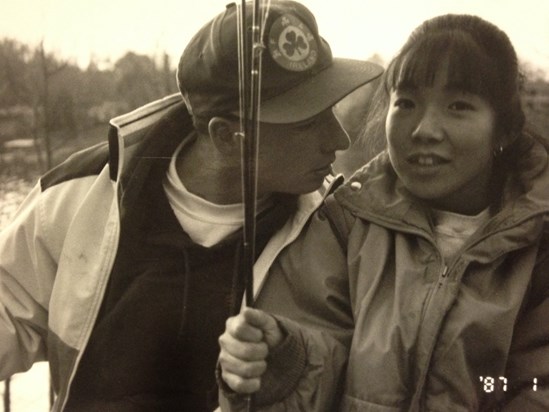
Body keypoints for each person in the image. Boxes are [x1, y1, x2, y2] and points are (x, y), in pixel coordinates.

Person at [0, 1, 383, 411]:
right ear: (225, 136)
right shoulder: (74, 196)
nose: (340, 140)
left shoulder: (330, 227)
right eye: (310, 122)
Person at [218, 13, 549, 411]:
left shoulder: (538, 245)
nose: (424, 129)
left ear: (506, 130)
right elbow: (324, 356)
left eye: (458, 106)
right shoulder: (344, 223)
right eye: (406, 103)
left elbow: (534, 384)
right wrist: (283, 357)